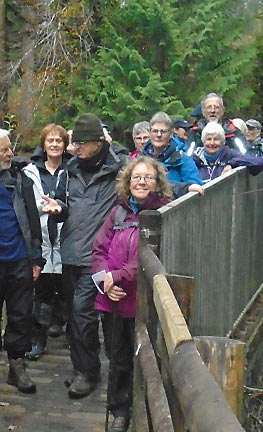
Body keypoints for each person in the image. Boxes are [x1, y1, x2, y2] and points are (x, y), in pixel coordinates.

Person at [41, 113, 128, 399]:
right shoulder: (71, 170)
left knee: (84, 314)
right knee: (75, 317)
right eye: (74, 142)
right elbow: (69, 206)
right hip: (70, 253)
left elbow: (148, 187)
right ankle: (84, 368)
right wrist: (59, 209)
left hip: (100, 257)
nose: (74, 147)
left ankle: (90, 373)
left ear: (98, 142)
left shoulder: (121, 170)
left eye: (81, 143)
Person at [92, 156, 172, 432]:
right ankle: (120, 412)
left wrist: (118, 276)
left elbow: (146, 258)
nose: (141, 182)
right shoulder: (118, 213)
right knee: (117, 359)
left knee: (144, 359)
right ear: (128, 182)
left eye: (147, 177)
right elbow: (98, 250)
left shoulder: (161, 214)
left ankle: (145, 412)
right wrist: (104, 280)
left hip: (141, 302)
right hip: (111, 298)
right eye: (136, 177)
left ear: (157, 183)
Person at [0, 129, 45, 394]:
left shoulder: (20, 180)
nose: (9, 153)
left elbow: (32, 219)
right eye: (3, 150)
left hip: (19, 258)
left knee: (21, 315)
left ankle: (17, 366)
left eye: (9, 149)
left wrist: (36, 258)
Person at [22, 124, 71, 359]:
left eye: (58, 141)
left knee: (69, 295)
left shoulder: (72, 171)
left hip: (66, 240)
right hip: (40, 240)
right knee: (38, 297)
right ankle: (37, 341)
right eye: (50, 140)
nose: (54, 145)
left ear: (65, 144)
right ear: (43, 144)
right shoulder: (29, 173)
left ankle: (75, 341)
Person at [142, 112, 204, 197]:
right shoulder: (141, 159)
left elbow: (195, 186)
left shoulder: (182, 158)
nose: (159, 135)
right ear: (149, 133)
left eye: (163, 131)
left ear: (171, 134)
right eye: (155, 131)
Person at [192, 122, 263, 183]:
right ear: (203, 141)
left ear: (223, 142)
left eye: (216, 139)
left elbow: (259, 162)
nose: (212, 143)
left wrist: (232, 163)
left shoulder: (229, 154)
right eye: (208, 139)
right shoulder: (195, 158)